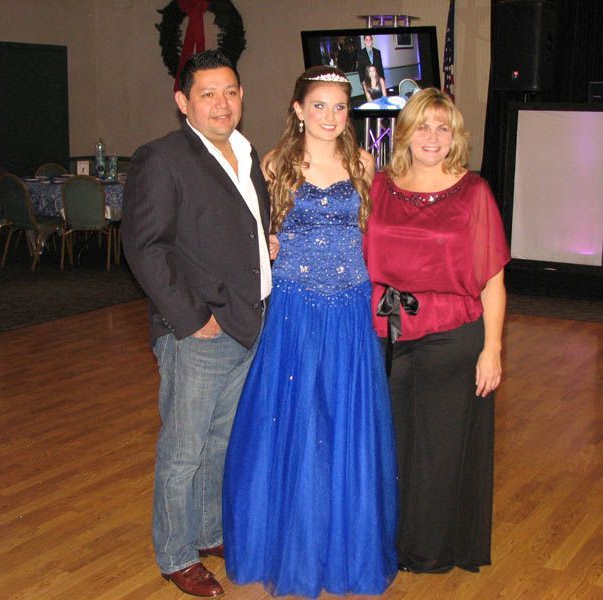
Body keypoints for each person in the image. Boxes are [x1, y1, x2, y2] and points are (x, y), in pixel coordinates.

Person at [223, 65, 398, 597]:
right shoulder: (273, 163)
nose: (329, 116)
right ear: (298, 109)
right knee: (294, 420)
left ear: (350, 113)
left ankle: (344, 543)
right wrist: (269, 247)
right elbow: (252, 231)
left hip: (347, 310)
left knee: (343, 421)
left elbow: (379, 235)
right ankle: (286, 540)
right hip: (296, 309)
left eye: (339, 107)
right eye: (318, 105)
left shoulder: (365, 162)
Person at [121, 49, 275, 598]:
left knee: (220, 443)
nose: (222, 103)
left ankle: (208, 532)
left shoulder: (245, 152)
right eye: (207, 93)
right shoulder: (161, 158)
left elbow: (233, 226)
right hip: (199, 333)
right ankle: (176, 554)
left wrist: (266, 243)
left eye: (230, 91)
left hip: (247, 324)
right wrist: (192, 321)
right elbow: (144, 246)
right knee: (183, 450)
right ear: (183, 100)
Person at [364, 88, 510, 574]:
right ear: (404, 132)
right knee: (389, 444)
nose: (432, 137)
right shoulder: (379, 186)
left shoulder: (474, 191)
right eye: (423, 126)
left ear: (455, 137)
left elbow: (492, 279)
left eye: (442, 128)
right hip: (385, 333)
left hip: (452, 334)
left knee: (440, 449)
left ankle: (429, 550)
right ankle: (386, 543)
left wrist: (492, 348)